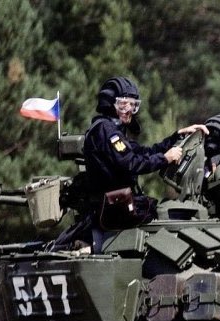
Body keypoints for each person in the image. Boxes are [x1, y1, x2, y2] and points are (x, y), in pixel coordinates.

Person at [80, 76, 205, 231]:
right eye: (123, 104)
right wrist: (165, 159)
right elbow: (131, 163)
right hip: (111, 210)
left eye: (133, 105)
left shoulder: (111, 130)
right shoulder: (106, 131)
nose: (129, 110)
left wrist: (176, 137)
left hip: (115, 207)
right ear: (109, 104)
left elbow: (144, 152)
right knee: (165, 213)